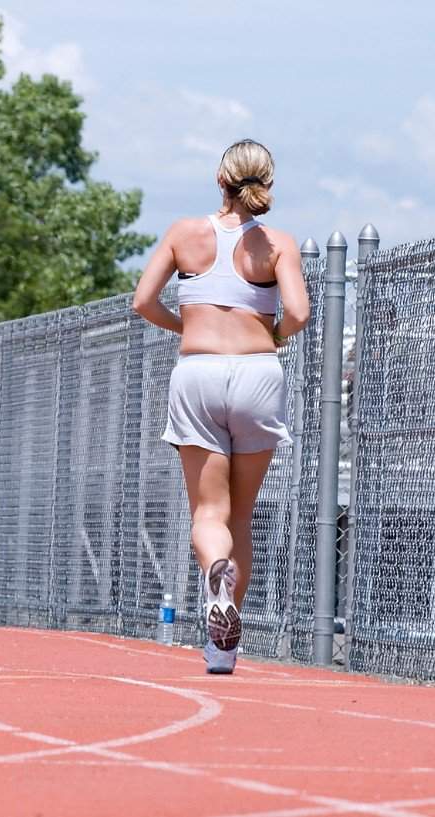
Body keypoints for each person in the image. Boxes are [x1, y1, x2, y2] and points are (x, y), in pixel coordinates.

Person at [131, 139, 310, 674]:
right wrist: (271, 335)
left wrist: (187, 325)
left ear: (219, 178)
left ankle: (217, 584)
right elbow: (298, 313)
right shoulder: (277, 243)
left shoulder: (185, 234)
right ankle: (226, 647)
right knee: (241, 515)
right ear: (267, 183)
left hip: (199, 373)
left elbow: (142, 301)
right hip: (258, 374)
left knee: (209, 512)